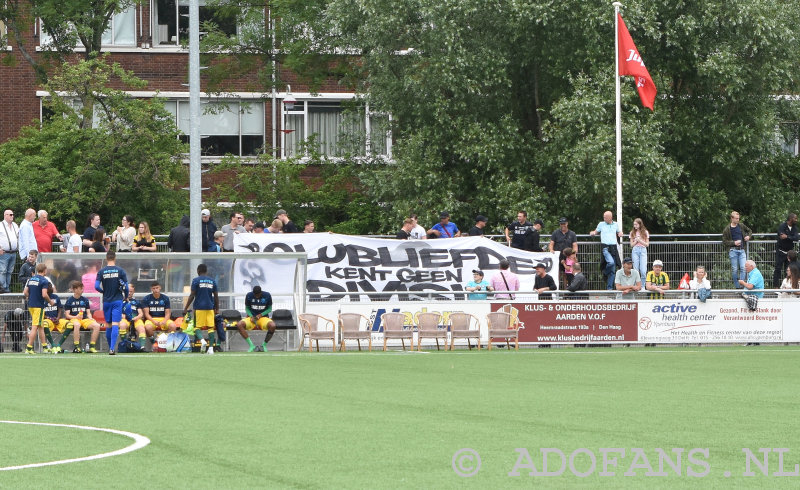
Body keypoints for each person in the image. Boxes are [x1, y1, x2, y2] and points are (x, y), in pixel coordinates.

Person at [95, 250, 129, 355]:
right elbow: (126, 287)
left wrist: (103, 291)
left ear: (106, 259)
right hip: (117, 300)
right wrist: (126, 296)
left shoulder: (101, 271)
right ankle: (112, 348)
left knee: (108, 324)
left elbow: (96, 286)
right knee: (115, 324)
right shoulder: (120, 271)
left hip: (106, 301)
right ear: (115, 258)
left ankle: (110, 346)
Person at [183, 264, 220, 348]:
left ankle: (202, 341)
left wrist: (186, 308)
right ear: (206, 271)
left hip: (199, 308)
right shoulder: (212, 281)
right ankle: (210, 348)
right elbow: (216, 296)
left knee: (197, 327)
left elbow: (192, 295)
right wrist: (217, 308)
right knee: (210, 327)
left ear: (198, 271)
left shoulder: (196, 280)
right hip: (210, 307)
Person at [22, 263, 55, 354]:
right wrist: (50, 302)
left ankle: (45, 347)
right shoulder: (44, 281)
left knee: (41, 326)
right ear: (44, 270)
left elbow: (25, 292)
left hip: (31, 305)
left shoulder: (31, 279)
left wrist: (31, 297)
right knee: (35, 327)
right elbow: (44, 294)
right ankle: (29, 348)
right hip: (38, 306)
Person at [61, 280, 102, 353]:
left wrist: (90, 318)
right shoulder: (69, 300)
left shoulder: (85, 300)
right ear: (75, 289)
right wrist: (75, 317)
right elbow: (67, 315)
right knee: (77, 324)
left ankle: (92, 346)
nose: (82, 290)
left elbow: (88, 312)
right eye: (81, 288)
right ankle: (77, 347)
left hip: (84, 319)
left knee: (96, 325)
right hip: (74, 319)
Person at [236, 285, 277, 352]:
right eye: (255, 295)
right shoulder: (249, 295)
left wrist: (260, 315)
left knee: (273, 325)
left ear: (261, 292)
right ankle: (251, 346)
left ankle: (263, 345)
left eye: (258, 295)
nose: (256, 296)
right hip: (252, 318)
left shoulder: (267, 295)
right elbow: (247, 308)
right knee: (239, 324)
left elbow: (270, 309)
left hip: (263, 318)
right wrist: (251, 316)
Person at [589, 211, 623, 290]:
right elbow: (596, 231)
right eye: (604, 217)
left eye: (605, 217)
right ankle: (604, 272)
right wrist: (592, 233)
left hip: (613, 248)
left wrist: (620, 233)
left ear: (610, 218)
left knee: (613, 270)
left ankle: (609, 288)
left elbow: (619, 232)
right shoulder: (601, 224)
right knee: (610, 263)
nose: (604, 218)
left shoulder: (615, 224)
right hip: (605, 248)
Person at [722, 211, 752, 289]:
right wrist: (734, 243)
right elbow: (724, 241)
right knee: (734, 270)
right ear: (732, 218)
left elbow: (749, 231)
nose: (738, 220)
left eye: (738, 218)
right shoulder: (727, 229)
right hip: (733, 250)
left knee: (743, 268)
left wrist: (748, 236)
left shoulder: (741, 226)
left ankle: (741, 285)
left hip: (742, 250)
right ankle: (737, 286)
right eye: (736, 218)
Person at [549, 217, 578, 285]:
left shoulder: (572, 234)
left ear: (567, 224)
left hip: (568, 257)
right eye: (561, 224)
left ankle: (566, 292)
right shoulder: (555, 233)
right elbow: (551, 244)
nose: (563, 225)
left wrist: (574, 254)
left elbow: (575, 245)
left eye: (564, 224)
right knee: (557, 274)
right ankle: (557, 291)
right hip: (558, 256)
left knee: (567, 275)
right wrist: (551, 250)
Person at [773, 213, 799, 287]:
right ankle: (776, 287)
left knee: (788, 270)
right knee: (778, 269)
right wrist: (791, 237)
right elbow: (781, 236)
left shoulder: (795, 228)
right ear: (790, 219)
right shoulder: (782, 226)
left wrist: (787, 236)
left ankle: (787, 286)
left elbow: (796, 238)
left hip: (789, 253)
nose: (796, 220)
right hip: (781, 251)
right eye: (795, 218)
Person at [120, 283, 147, 348]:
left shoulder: (136, 302)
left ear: (133, 292)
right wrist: (122, 315)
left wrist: (137, 317)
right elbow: (118, 312)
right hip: (125, 318)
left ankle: (142, 347)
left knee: (141, 329)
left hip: (136, 318)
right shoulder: (120, 301)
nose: (129, 293)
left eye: (131, 291)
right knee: (122, 325)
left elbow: (141, 313)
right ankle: (125, 344)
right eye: (127, 291)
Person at [0, 209, 20, 293]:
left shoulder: (15, 225)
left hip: (13, 252)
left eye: (12, 214)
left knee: (9, 272)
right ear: (5, 215)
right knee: (3, 271)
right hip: (4, 252)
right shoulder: (0, 225)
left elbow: (18, 236)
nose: (12, 216)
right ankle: (2, 288)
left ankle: (7, 288)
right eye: (10, 215)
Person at [629, 218, 649, 289]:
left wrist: (639, 240)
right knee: (636, 269)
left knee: (643, 270)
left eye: (636, 224)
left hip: (643, 250)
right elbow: (631, 244)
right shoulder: (632, 232)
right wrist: (636, 241)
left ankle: (643, 286)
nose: (635, 226)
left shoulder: (645, 232)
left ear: (640, 224)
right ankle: (637, 285)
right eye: (634, 224)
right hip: (635, 250)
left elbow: (647, 244)